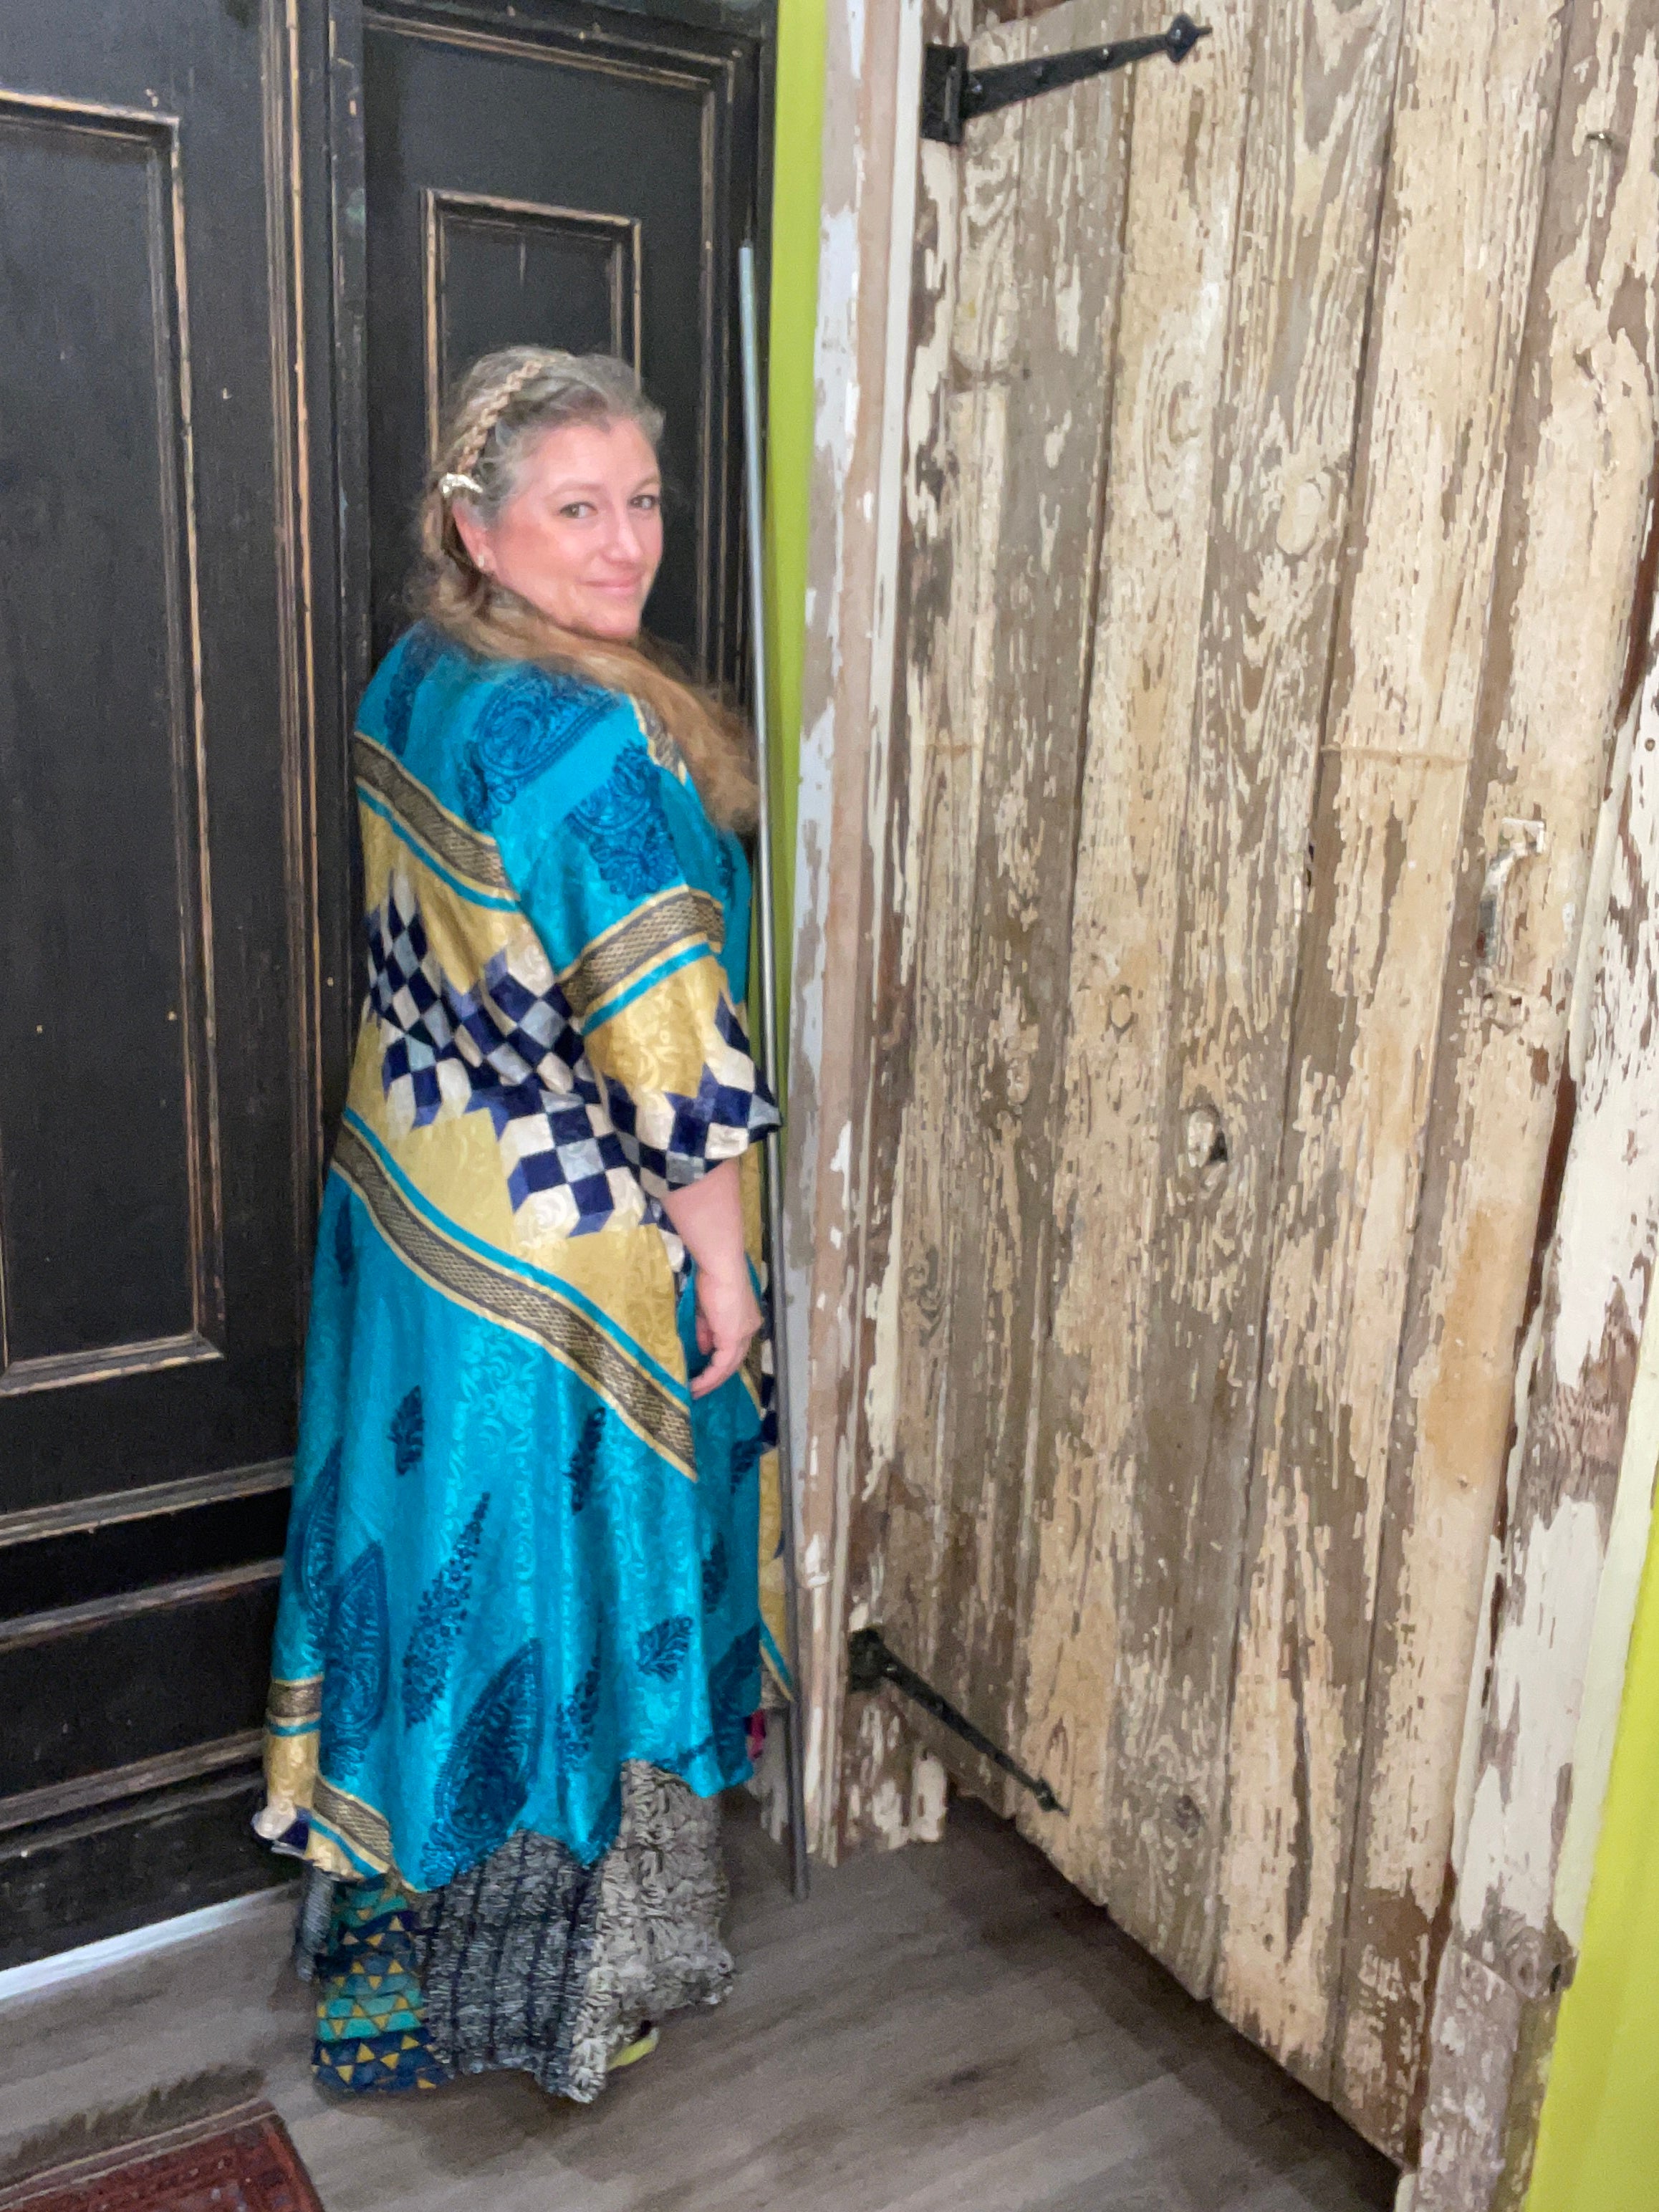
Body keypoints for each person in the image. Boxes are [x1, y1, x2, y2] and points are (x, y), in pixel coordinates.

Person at [256, 347, 787, 2101]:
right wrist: (727, 1267)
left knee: (433, 1575)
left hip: (409, 1201)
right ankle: (563, 1990)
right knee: (561, 1607)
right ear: (477, 529)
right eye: (577, 508)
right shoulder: (578, 739)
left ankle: (392, 1928)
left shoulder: (420, 675)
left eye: (643, 502)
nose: (626, 544)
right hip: (564, 1269)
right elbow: (671, 1055)